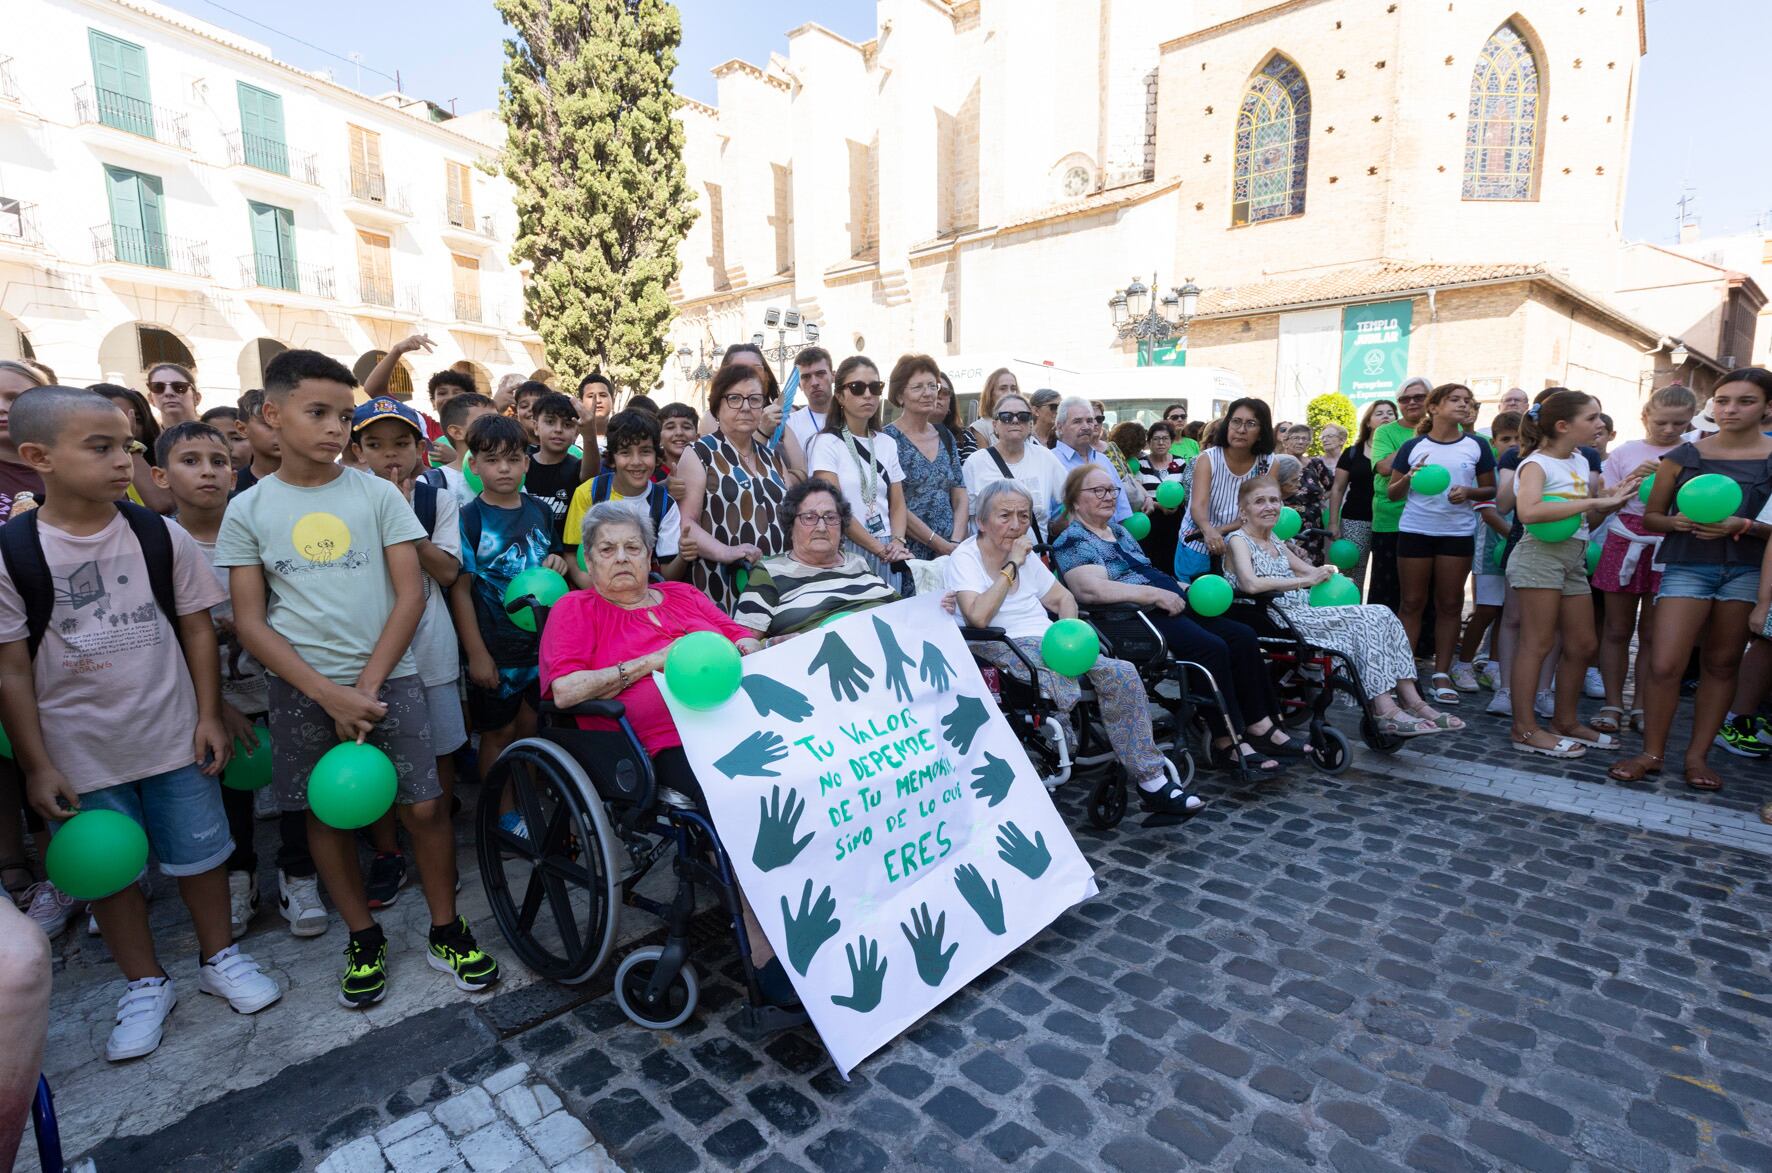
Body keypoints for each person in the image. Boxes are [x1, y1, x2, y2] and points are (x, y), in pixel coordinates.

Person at [0, 385, 282, 1058]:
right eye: (99, 447)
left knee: (202, 854)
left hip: (172, 732)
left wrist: (210, 713)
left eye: (125, 445)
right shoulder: (14, 552)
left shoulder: (159, 534)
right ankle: (145, 980)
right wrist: (37, 762)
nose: (121, 460)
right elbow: (11, 668)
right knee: (108, 870)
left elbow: (196, 629)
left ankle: (219, 958)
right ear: (37, 455)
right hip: (79, 750)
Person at [220, 350, 497, 1008]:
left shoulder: (376, 494)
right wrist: (326, 691)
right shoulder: (249, 509)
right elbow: (251, 621)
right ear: (271, 414)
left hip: (389, 678)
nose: (334, 428)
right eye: (317, 413)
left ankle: (445, 927)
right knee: (327, 813)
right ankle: (364, 935)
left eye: (343, 415)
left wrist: (366, 687)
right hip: (301, 687)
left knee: (426, 806)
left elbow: (410, 595)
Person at [538, 502, 799, 1002]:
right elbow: (565, 691)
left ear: (648, 555)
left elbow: (741, 636)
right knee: (743, 801)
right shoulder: (577, 609)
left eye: (632, 547)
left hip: (736, 726)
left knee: (810, 774)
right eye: (606, 550)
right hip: (654, 747)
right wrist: (650, 663)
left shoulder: (682, 594)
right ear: (588, 563)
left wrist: (751, 646)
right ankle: (766, 947)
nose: (621, 558)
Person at [153, 420, 321, 938]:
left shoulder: (258, 526)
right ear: (160, 476)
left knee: (298, 786)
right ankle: (238, 879)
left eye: (219, 461)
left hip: (279, 683)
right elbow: (160, 637)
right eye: (190, 461)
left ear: (235, 470)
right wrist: (213, 707)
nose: (208, 472)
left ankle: (299, 874)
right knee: (229, 794)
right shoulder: (157, 543)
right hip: (210, 700)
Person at [947, 481, 1202, 817]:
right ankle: (1058, 744)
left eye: (1023, 516)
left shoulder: (1026, 557)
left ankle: (1151, 779)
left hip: (1051, 643)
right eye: (1005, 515)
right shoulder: (966, 557)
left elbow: (1063, 598)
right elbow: (978, 617)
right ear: (981, 521)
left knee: (1122, 672)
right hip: (1000, 643)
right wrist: (1011, 565)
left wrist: (1069, 631)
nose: (1016, 524)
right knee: (1052, 673)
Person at [1054, 465, 1303, 771]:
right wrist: (1155, 595)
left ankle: (1261, 723)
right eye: (1098, 491)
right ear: (1075, 501)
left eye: (1112, 490)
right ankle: (1228, 739)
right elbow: (1090, 590)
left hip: (1165, 601)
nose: (1108, 497)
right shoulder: (1073, 539)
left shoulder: (1118, 531)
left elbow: (1146, 570)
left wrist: (1186, 587)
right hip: (1131, 618)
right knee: (1210, 647)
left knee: (1242, 635)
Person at [1613, 369, 1772, 790]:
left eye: (1745, 401)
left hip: (1745, 571)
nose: (1730, 409)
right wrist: (1677, 522)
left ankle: (1697, 757)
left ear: (1767, 407)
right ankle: (1651, 753)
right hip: (1687, 567)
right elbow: (1651, 517)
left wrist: (1746, 525)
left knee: (1721, 664)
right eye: (1722, 401)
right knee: (1665, 664)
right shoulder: (1684, 456)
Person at [1225, 477, 1462, 736]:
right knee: (1366, 621)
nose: (1269, 506)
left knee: (1381, 613)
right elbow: (1249, 584)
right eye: (1259, 501)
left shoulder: (1276, 541)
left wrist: (1331, 575)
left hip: (1302, 611)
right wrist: (1305, 581)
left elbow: (1310, 570)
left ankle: (1411, 698)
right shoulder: (1238, 540)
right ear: (1243, 509)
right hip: (1273, 616)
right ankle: (1384, 708)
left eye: (1274, 500)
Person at [349, 398, 467, 908]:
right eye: (375, 446)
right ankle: (387, 853)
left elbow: (446, 573)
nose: (388, 456)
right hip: (370, 653)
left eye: (400, 444)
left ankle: (433, 846)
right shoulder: (344, 502)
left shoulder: (434, 500)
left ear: (422, 449)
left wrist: (402, 520)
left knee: (438, 752)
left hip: (432, 649)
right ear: (356, 452)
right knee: (375, 758)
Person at [1504, 391, 1639, 758]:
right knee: (1537, 643)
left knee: (1583, 644)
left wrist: (1614, 501)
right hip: (1538, 556)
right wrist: (1596, 501)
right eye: (1593, 417)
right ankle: (1525, 728)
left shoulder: (1580, 460)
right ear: (1563, 426)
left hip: (1573, 556)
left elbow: (1584, 520)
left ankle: (1564, 721)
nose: (1600, 424)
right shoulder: (1537, 464)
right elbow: (1529, 512)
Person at [450, 414, 567, 832]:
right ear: (474, 465)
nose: (504, 469)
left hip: (540, 648)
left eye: (513, 459)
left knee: (531, 729)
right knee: (498, 735)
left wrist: (557, 563)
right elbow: (460, 591)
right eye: (492, 459)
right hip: (495, 650)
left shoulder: (538, 509)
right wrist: (478, 654)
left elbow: (552, 560)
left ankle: (527, 806)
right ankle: (501, 814)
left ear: (526, 463)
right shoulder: (469, 518)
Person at [1591, 385, 1698, 735]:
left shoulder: (1695, 453)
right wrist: (1633, 479)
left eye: (1679, 424)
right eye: (1662, 422)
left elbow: (1700, 503)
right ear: (1646, 417)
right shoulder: (1627, 451)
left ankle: (1641, 704)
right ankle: (1612, 702)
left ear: (1690, 421)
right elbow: (1604, 497)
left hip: (1670, 541)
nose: (1669, 430)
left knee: (1653, 634)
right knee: (1617, 629)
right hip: (1625, 539)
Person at [1386, 384, 1496, 703]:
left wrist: (1469, 492)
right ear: (1434, 408)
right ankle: (1403, 674)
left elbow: (1489, 491)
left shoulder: (1477, 446)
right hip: (1415, 531)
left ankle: (1441, 673)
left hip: (1457, 533)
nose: (1464, 405)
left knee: (1449, 605)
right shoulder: (1414, 446)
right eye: (1455, 400)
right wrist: (1409, 477)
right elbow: (1393, 493)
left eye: (1468, 401)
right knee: (1411, 603)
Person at [678, 363, 793, 614]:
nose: (745, 406)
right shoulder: (699, 453)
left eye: (754, 399)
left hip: (775, 582)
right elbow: (686, 525)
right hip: (724, 581)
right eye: (734, 398)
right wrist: (727, 552)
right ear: (717, 406)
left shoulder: (771, 457)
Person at [735, 478, 907, 637]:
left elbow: (904, 611)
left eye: (831, 517)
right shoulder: (770, 571)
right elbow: (744, 641)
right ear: (791, 527)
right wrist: (773, 643)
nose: (822, 527)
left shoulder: (857, 562)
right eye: (809, 518)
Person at [807, 356, 910, 580]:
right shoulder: (826, 443)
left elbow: (898, 504)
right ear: (840, 396)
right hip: (846, 548)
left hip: (889, 549)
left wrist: (897, 542)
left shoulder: (887, 443)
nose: (867, 395)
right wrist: (878, 548)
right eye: (857, 387)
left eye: (875, 387)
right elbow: (835, 507)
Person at [563, 409, 695, 580]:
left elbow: (668, 574)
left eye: (645, 451)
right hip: (594, 592)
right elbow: (572, 557)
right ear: (611, 458)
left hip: (641, 595)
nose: (636, 462)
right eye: (625, 452)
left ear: (657, 457)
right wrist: (601, 593)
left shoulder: (664, 505)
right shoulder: (589, 493)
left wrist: (683, 557)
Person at [1456, 410, 1521, 697]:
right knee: (1486, 609)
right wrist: (1516, 537)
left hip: (1519, 553)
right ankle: (1463, 662)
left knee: (1508, 611)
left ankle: (1495, 664)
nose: (1513, 444)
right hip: (1490, 552)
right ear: (1494, 442)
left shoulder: (1530, 469)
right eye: (1506, 439)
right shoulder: (1492, 473)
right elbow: (1489, 512)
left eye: (1520, 438)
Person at [1178, 397, 1274, 580]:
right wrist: (1209, 530)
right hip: (1198, 537)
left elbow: (1261, 510)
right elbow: (1198, 506)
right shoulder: (1208, 458)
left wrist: (1222, 530)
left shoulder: (1268, 462)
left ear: (1262, 431)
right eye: (1236, 421)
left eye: (1251, 423)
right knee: (1197, 599)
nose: (1241, 430)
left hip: (1245, 540)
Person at [884, 354, 968, 560]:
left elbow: (960, 495)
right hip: (908, 553)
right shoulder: (886, 440)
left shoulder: (945, 435)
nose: (928, 393)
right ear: (900, 396)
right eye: (918, 387)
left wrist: (955, 543)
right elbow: (894, 503)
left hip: (950, 554)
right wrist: (939, 544)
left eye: (932, 386)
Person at [960, 392, 1066, 541]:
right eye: (1006, 416)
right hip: (987, 560)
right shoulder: (975, 463)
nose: (1015, 420)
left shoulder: (1045, 458)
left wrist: (1058, 527)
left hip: (1033, 559)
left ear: (1030, 424)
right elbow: (963, 517)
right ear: (995, 425)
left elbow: (1072, 498)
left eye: (1023, 416)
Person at [1370, 377, 1431, 610]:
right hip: (1391, 522)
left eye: (1419, 397)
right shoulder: (1386, 431)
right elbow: (1384, 468)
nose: (1412, 402)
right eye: (1405, 399)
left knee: (1425, 595)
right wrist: (1421, 436)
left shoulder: (1449, 430)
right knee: (1387, 593)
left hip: (1432, 521)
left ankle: (1423, 647)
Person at [90, 383, 174, 513]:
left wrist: (129, 446)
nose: (129, 425)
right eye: (117, 418)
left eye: (137, 419)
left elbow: (163, 504)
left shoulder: (157, 463)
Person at [1052, 397, 1134, 527]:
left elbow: (1122, 509)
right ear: (1060, 427)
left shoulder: (1103, 460)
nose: (1086, 427)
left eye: (1089, 421)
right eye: (1077, 421)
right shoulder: (1050, 461)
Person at [522, 391, 586, 544]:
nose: (558, 429)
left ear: (576, 433)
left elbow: (590, 475)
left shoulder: (578, 468)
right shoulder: (522, 467)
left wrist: (589, 434)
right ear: (536, 427)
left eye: (567, 424)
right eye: (550, 422)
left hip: (566, 557)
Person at [431, 392, 499, 508]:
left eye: (498, 420)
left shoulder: (510, 474)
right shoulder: (431, 482)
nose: (498, 427)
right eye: (486, 421)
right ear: (457, 432)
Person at [1137, 420, 1187, 572]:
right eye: (1156, 439)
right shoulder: (1140, 464)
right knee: (1152, 561)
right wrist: (1158, 505)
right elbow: (1136, 494)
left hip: (1176, 519)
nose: (1160, 443)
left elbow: (1188, 490)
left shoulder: (1181, 462)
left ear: (1171, 441)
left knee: (1173, 561)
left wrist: (1176, 504)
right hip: (1150, 519)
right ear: (1149, 442)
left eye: (1165, 438)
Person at [782, 346, 834, 454]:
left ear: (833, 376)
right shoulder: (789, 424)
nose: (814, 382)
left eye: (820, 374)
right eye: (806, 377)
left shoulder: (852, 417)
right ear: (799, 385)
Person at [234, 388, 281, 495]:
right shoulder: (232, 486)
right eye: (268, 425)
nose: (280, 431)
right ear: (242, 428)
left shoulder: (319, 480)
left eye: (288, 423)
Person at [573, 371, 615, 480]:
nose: (598, 401)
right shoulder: (569, 438)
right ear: (581, 401)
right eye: (591, 396)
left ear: (612, 400)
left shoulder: (623, 436)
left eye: (603, 395)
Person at [970, 368, 1021, 451]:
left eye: (1013, 389)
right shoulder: (980, 427)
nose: (1009, 393)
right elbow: (985, 461)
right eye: (1003, 388)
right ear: (990, 393)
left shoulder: (1023, 422)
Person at [934, 371, 978, 463]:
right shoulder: (900, 436)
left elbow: (968, 475)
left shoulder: (965, 438)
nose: (939, 396)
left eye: (945, 392)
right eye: (934, 388)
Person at [146, 362, 201, 427]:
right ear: (151, 399)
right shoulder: (147, 436)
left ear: (196, 398)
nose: (168, 392)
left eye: (179, 387)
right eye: (158, 387)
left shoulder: (215, 431)